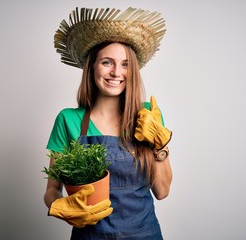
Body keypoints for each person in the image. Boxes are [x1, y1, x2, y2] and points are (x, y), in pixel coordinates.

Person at [44, 7, 173, 239]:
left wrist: (160, 147)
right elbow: (52, 189)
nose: (116, 72)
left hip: (144, 234)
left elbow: (162, 191)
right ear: (92, 66)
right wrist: (61, 208)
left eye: (125, 64)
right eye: (107, 62)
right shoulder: (68, 119)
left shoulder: (148, 116)